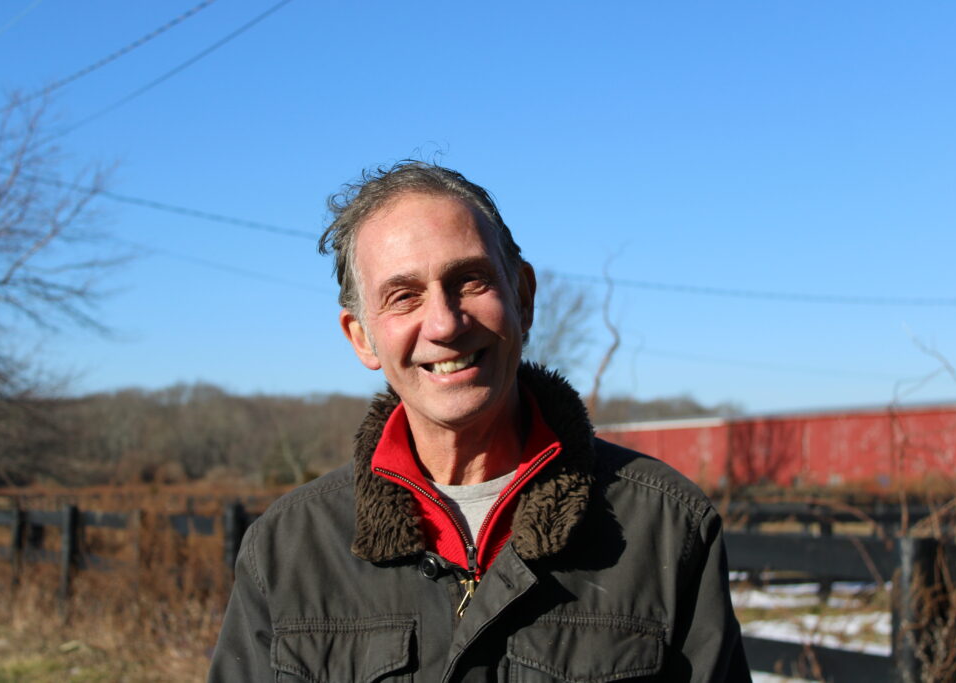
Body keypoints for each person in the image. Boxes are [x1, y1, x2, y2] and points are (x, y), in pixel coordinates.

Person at [209, 162, 750, 682]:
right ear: (362, 338)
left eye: (469, 280)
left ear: (523, 298)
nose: (444, 323)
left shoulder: (667, 526)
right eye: (404, 296)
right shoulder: (286, 550)